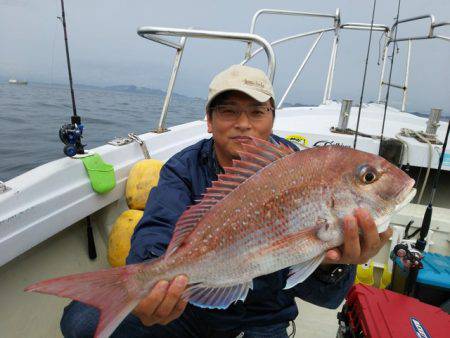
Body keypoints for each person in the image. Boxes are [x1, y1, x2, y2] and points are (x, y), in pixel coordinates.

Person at [61, 65, 393, 338]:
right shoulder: (183, 168)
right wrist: (151, 286)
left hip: (265, 322)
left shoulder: (303, 170)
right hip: (188, 312)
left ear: (272, 117)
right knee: (81, 322)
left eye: (257, 112)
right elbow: (156, 232)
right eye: (228, 111)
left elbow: (329, 297)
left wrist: (333, 263)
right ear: (209, 120)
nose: (243, 123)